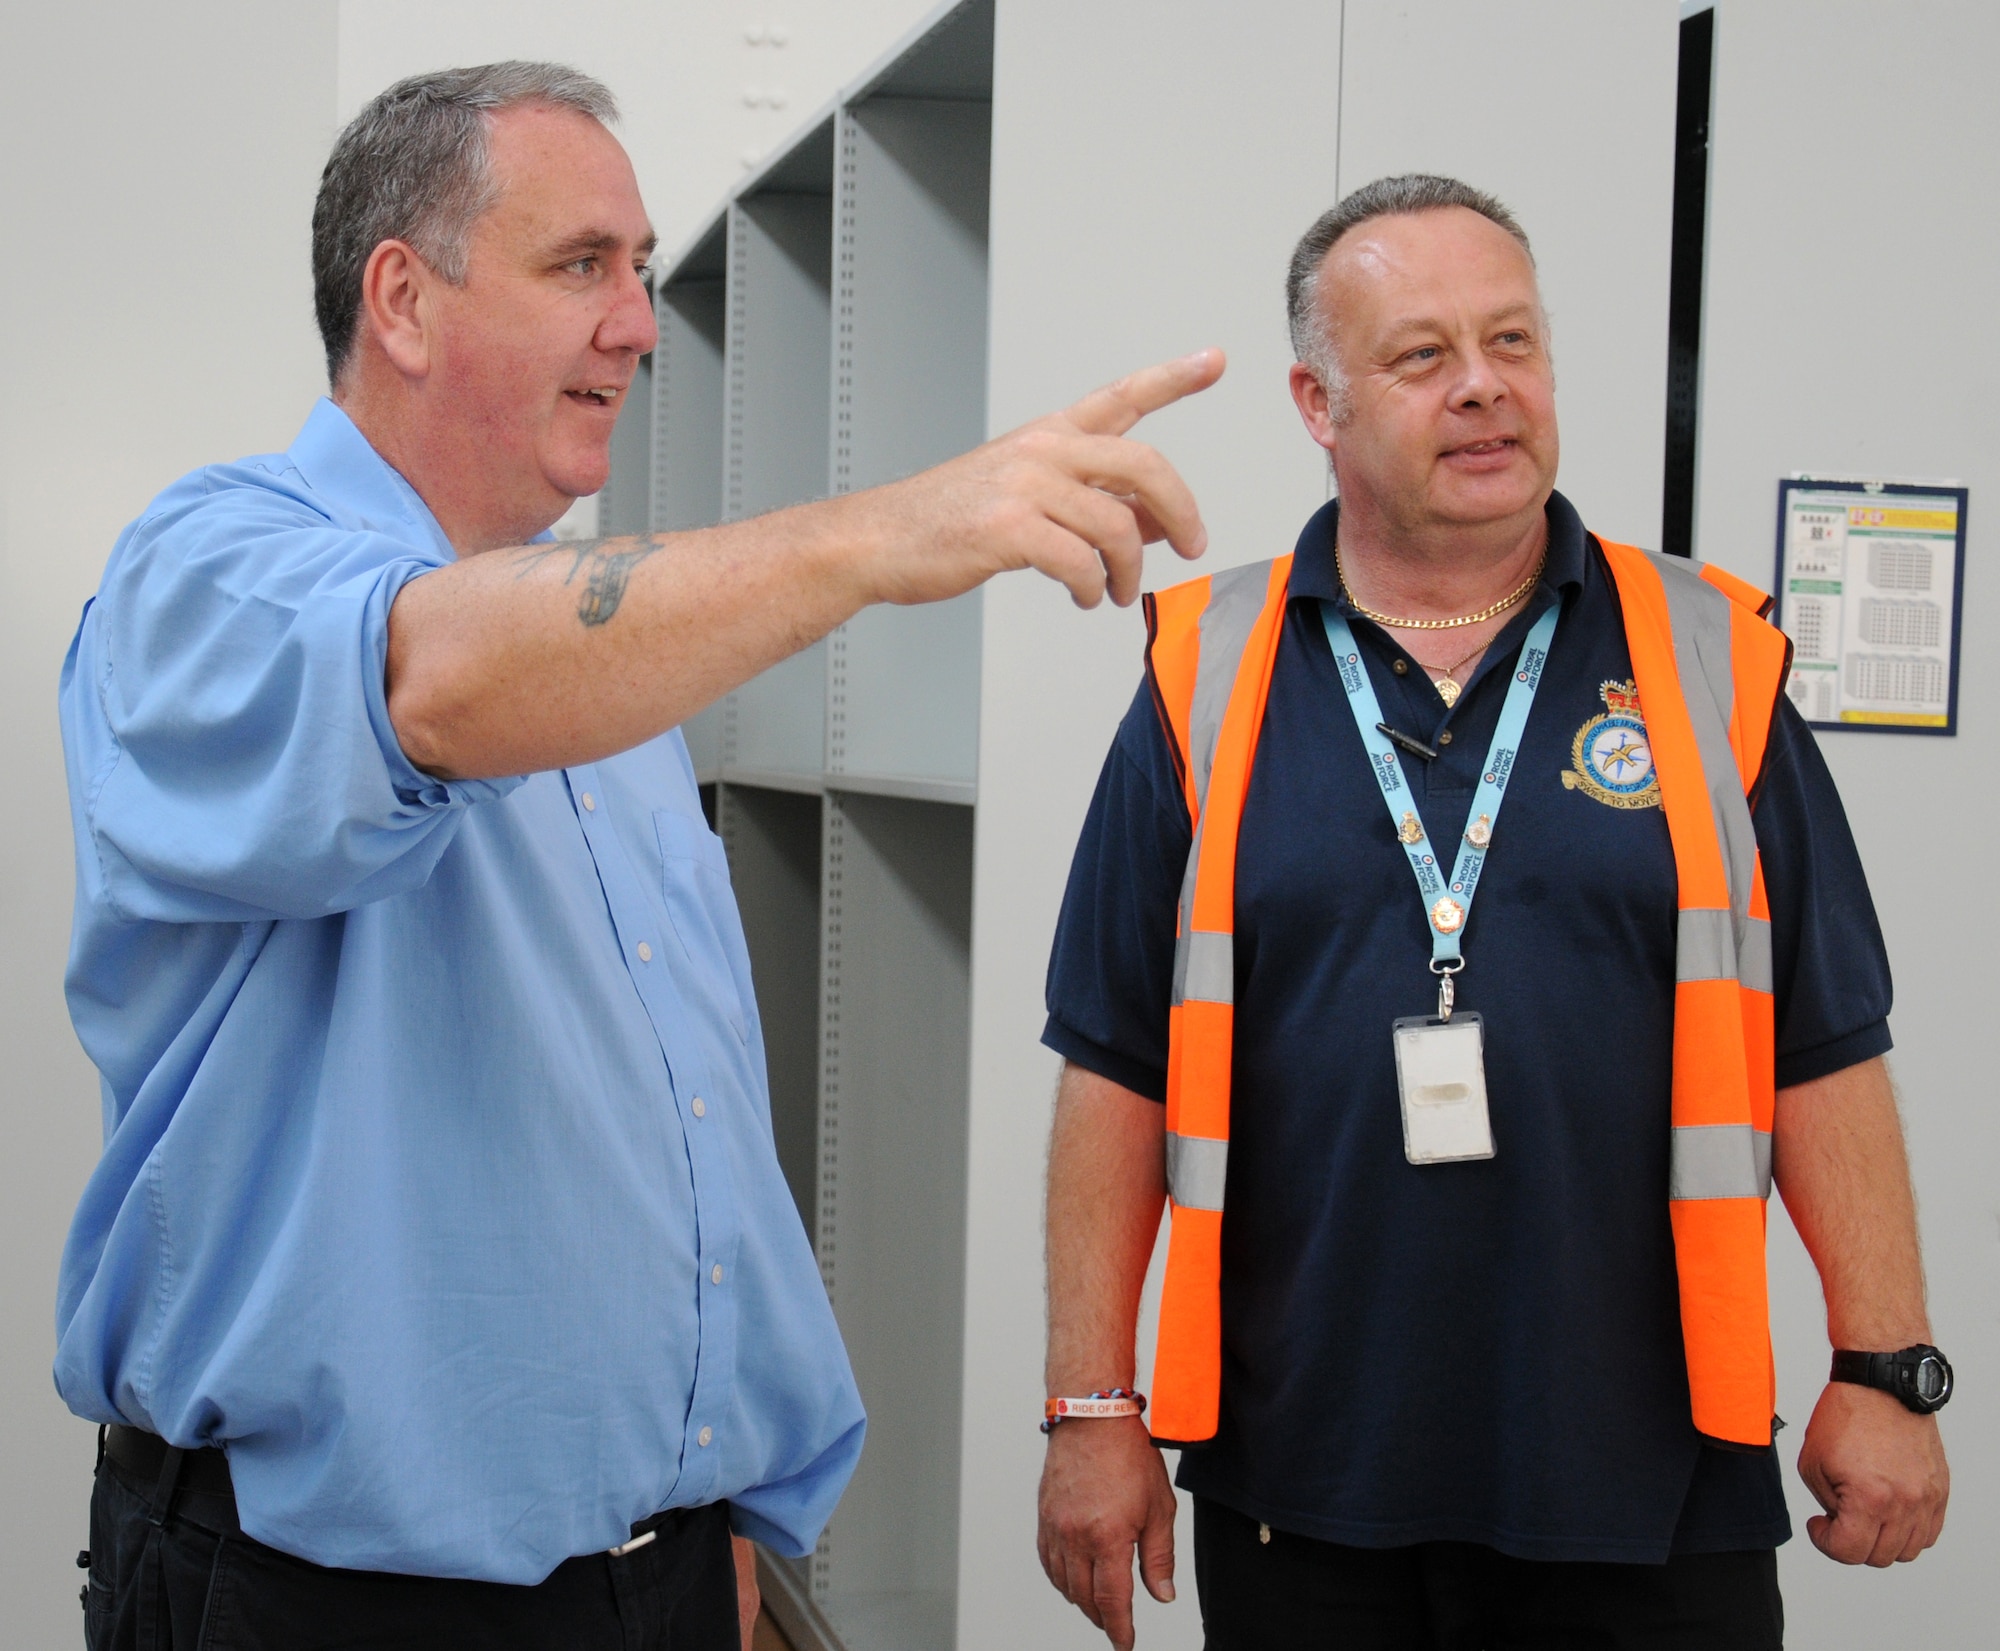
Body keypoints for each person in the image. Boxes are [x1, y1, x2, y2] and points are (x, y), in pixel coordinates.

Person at [58, 62, 1221, 1651]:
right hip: (327, 1601)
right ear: (401, 298)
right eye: (580, 265)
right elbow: (429, 679)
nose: (638, 323)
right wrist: (878, 536)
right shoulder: (204, 575)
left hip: (652, 1572)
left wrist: (709, 1506)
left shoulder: (613, 678)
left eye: (640, 267)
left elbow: (680, 1118)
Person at [1034, 174, 1951, 1651]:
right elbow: (1114, 1066)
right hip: (1302, 1475)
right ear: (1316, 405)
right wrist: (1092, 1408)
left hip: (1655, 1476)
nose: (1483, 389)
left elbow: (1825, 1046)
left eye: (1513, 342)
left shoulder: (1715, 660)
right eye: (1421, 356)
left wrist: (1886, 1361)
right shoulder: (1206, 675)